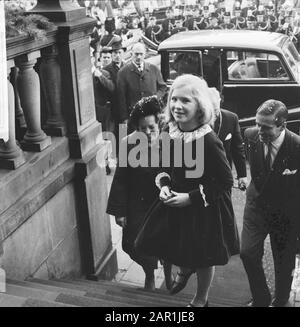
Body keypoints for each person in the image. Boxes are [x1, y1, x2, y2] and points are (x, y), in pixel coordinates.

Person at [135, 75, 240, 307]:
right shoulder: (168, 129)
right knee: (173, 243)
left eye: (186, 101)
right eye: (174, 99)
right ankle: (184, 269)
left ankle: (201, 299)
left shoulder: (209, 140)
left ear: (200, 105)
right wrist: (163, 186)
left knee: (203, 258)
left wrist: (190, 198)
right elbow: (164, 166)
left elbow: (224, 181)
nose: (177, 106)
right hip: (175, 200)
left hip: (203, 206)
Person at [240, 99, 300, 307]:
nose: (259, 131)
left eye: (265, 127)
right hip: (256, 206)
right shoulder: (249, 136)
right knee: (247, 253)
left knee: (283, 261)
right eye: (257, 124)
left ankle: (281, 300)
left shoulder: (297, 146)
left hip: (285, 213)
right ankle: (261, 299)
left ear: (283, 125)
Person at [106, 96, 162, 290]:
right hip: (137, 201)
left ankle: (168, 273)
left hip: (163, 201)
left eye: (151, 127)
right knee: (131, 244)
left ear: (159, 124)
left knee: (167, 241)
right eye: (142, 128)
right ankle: (149, 272)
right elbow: (121, 178)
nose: (147, 133)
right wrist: (119, 211)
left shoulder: (171, 142)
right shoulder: (128, 143)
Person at [117, 42, 167, 127]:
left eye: (141, 54)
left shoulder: (153, 69)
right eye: (136, 54)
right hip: (134, 115)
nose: (139, 57)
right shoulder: (123, 72)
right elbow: (121, 98)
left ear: (145, 54)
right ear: (131, 54)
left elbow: (162, 87)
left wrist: (156, 97)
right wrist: (124, 118)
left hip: (152, 113)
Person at [210, 89, 248, 190]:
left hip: (224, 175)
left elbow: (237, 148)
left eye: (215, 110)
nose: (213, 115)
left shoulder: (231, 118)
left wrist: (242, 175)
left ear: (219, 101)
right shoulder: (194, 120)